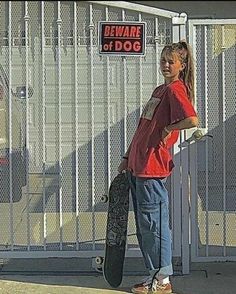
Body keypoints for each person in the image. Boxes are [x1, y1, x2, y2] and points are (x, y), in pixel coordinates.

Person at [118, 40, 199, 294]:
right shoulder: (159, 90)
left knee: (155, 225)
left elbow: (192, 119)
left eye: (170, 62)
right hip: (138, 166)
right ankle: (152, 274)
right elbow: (143, 127)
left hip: (153, 168)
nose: (165, 65)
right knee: (146, 226)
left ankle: (162, 281)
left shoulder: (176, 89)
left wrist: (169, 129)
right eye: (163, 60)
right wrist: (127, 156)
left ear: (181, 66)